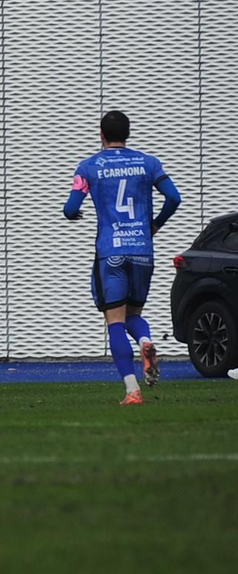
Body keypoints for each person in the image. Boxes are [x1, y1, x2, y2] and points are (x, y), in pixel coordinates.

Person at [63, 110, 180, 405]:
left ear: (101, 135)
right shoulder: (148, 163)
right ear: (127, 134)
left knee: (115, 321)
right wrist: (155, 225)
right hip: (142, 250)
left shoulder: (89, 166)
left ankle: (132, 390)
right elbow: (174, 197)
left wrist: (75, 214)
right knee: (134, 315)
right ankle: (145, 341)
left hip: (111, 252)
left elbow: (70, 207)